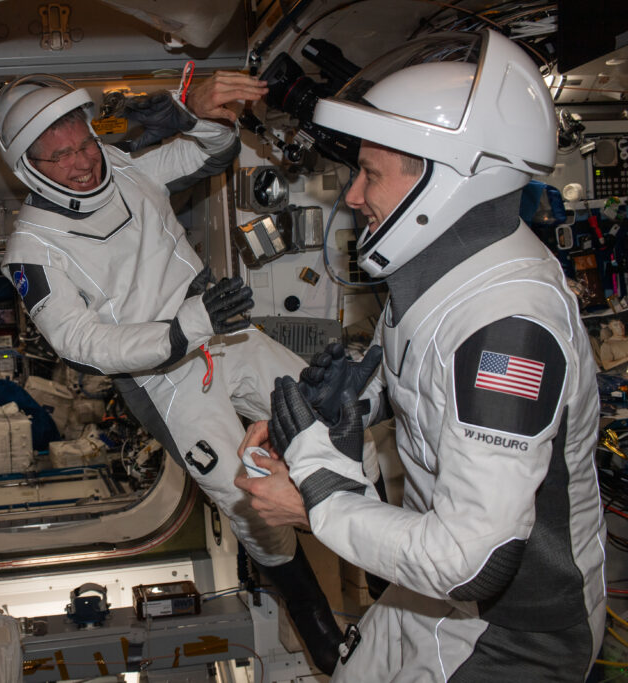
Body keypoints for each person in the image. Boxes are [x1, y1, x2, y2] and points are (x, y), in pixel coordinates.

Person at [236, 29, 606, 680]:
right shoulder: (448, 267)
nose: (352, 196)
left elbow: (476, 559)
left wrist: (313, 495)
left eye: (370, 175)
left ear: (444, 187)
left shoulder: (508, 330)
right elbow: (413, 366)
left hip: (512, 634)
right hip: (438, 592)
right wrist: (340, 408)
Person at [0, 71, 343, 672]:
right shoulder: (32, 251)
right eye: (60, 158)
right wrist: (183, 328)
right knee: (247, 498)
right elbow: (82, 342)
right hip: (164, 379)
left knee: (326, 409)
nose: (81, 165)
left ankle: (392, 565)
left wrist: (194, 114)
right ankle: (326, 641)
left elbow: (214, 151)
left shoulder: (125, 168)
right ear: (27, 168)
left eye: (83, 146)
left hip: (223, 333)